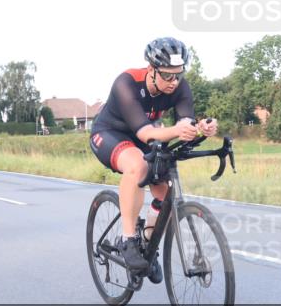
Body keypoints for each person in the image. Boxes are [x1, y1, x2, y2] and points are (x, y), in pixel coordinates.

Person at [90, 37, 218, 272]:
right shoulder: (126, 82)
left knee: (166, 192)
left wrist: (201, 128)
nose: (173, 81)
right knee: (137, 165)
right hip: (110, 133)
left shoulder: (180, 86)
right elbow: (146, 132)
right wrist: (176, 130)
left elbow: (185, 121)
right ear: (151, 69)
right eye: (167, 75)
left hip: (146, 136)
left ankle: (148, 247)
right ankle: (127, 240)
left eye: (178, 75)